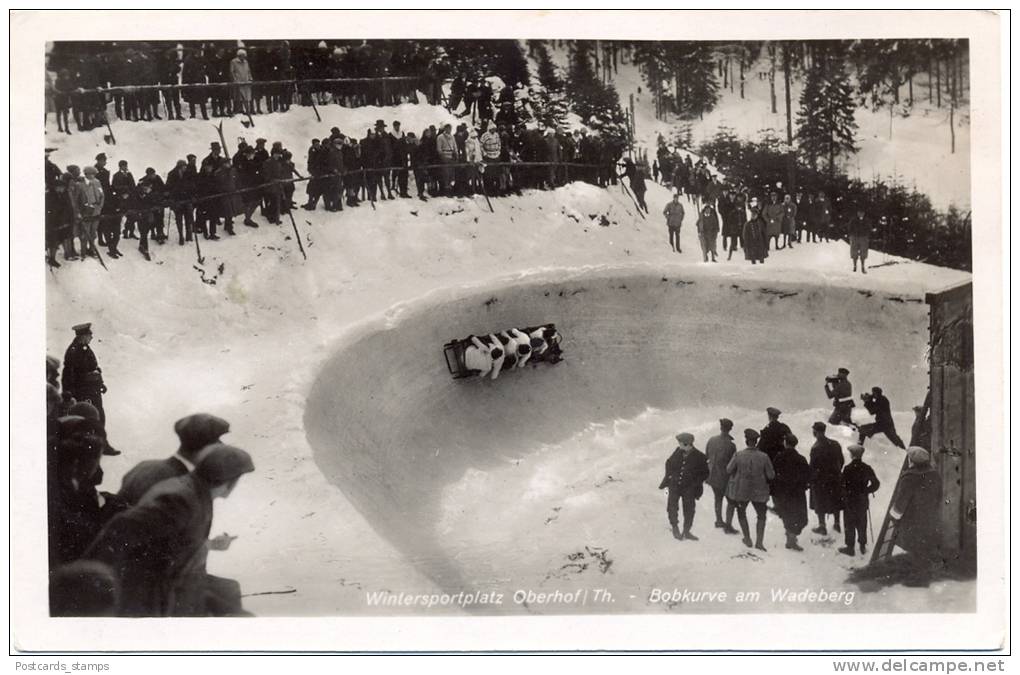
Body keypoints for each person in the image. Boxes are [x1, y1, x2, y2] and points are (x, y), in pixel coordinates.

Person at [84, 443, 256, 617]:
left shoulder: (196, 493)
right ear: (229, 481)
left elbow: (175, 544)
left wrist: (209, 545)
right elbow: (120, 529)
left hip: (173, 590)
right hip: (149, 599)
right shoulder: (180, 500)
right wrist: (90, 583)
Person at [118, 413, 231, 506]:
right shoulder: (180, 481)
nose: (221, 448)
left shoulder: (145, 465)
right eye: (218, 443)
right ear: (205, 447)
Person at [888, 447, 943, 586]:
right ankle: (926, 574)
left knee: (914, 547)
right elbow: (939, 496)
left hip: (913, 520)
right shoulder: (935, 475)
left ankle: (918, 580)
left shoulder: (910, 477)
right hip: (930, 518)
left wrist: (894, 515)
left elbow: (901, 501)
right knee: (925, 546)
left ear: (911, 460)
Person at [725, 428, 775, 551]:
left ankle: (747, 538)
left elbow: (728, 469)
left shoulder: (738, 454)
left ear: (746, 441)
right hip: (760, 491)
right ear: (756, 442)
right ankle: (759, 542)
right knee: (761, 515)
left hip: (742, 490)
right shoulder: (764, 456)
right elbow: (771, 475)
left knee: (742, 513)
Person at [657, 432, 710, 541]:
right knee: (672, 506)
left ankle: (686, 531)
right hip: (674, 485)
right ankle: (675, 527)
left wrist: (695, 483)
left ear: (687, 444)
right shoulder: (677, 451)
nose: (679, 444)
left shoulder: (700, 456)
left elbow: (705, 473)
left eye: (680, 443)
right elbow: (668, 462)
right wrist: (670, 476)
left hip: (689, 488)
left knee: (689, 510)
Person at [838, 444, 880, 556]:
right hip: (862, 500)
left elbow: (842, 485)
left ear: (852, 455)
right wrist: (866, 490)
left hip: (850, 500)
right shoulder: (867, 468)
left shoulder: (847, 469)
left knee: (849, 523)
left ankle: (850, 548)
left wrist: (844, 495)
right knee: (862, 522)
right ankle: (862, 545)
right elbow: (876, 483)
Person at [61, 323, 107, 426]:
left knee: (98, 417)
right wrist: (69, 394)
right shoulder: (74, 351)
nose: (91, 337)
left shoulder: (85, 348)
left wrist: (101, 383)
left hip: (92, 391)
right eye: (89, 335)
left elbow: (94, 368)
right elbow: (69, 374)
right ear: (83, 336)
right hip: (83, 392)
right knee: (88, 419)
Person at [771, 433, 811, 551]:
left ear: (785, 443)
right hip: (797, 493)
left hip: (783, 492)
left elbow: (774, 475)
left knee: (787, 514)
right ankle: (791, 540)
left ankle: (790, 537)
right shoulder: (801, 459)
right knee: (800, 517)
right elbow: (807, 475)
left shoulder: (779, 457)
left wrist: (774, 491)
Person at [809, 421, 844, 536]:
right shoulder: (835, 444)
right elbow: (841, 460)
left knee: (819, 500)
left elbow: (812, 466)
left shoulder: (815, 448)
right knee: (835, 499)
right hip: (834, 478)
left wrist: (812, 478)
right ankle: (837, 524)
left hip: (821, 481)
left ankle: (822, 526)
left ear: (816, 432)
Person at [705, 418, 737, 531]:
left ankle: (719, 520)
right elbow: (733, 464)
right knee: (731, 501)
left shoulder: (711, 440)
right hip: (725, 477)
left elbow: (707, 456)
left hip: (712, 476)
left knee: (717, 498)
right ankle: (728, 525)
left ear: (720, 427)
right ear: (730, 429)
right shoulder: (731, 445)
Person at [78, 166, 105, 259]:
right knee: (85, 232)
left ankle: (92, 249)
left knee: (93, 232)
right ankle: (83, 251)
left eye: (94, 174)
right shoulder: (80, 184)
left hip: (96, 211)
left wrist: (99, 207)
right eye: (91, 174)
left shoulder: (97, 182)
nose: (93, 176)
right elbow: (78, 199)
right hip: (86, 211)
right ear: (86, 174)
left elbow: (102, 195)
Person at [742, 197, 768, 264]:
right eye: (752, 214)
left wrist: (766, 243)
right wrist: (746, 244)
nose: (753, 216)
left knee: (761, 259)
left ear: (757, 215)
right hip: (751, 244)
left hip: (760, 244)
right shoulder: (747, 224)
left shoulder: (760, 223)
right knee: (753, 259)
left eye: (755, 214)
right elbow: (745, 235)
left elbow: (764, 233)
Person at [230, 49, 253, 117]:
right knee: (238, 97)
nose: (244, 57)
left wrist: (250, 78)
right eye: (242, 55)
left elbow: (248, 71)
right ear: (239, 55)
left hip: (246, 81)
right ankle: (238, 110)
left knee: (246, 97)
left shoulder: (246, 62)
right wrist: (235, 80)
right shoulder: (234, 62)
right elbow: (232, 72)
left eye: (244, 55)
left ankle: (246, 110)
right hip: (238, 81)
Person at [848, 208, 871, 274]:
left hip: (863, 237)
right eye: (859, 212)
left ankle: (862, 266)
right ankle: (855, 266)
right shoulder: (853, 220)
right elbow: (849, 227)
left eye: (862, 213)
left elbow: (869, 228)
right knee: (854, 252)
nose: (861, 214)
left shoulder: (866, 220)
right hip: (855, 237)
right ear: (857, 213)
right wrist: (851, 235)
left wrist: (867, 235)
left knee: (863, 253)